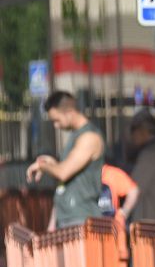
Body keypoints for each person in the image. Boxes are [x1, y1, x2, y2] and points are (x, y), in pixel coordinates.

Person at [27, 91, 104, 228]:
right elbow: (68, 177)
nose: (56, 126)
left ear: (69, 111)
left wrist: (43, 166)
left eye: (56, 120)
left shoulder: (89, 137)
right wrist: (53, 164)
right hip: (67, 218)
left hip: (81, 219)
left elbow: (63, 172)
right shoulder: (76, 136)